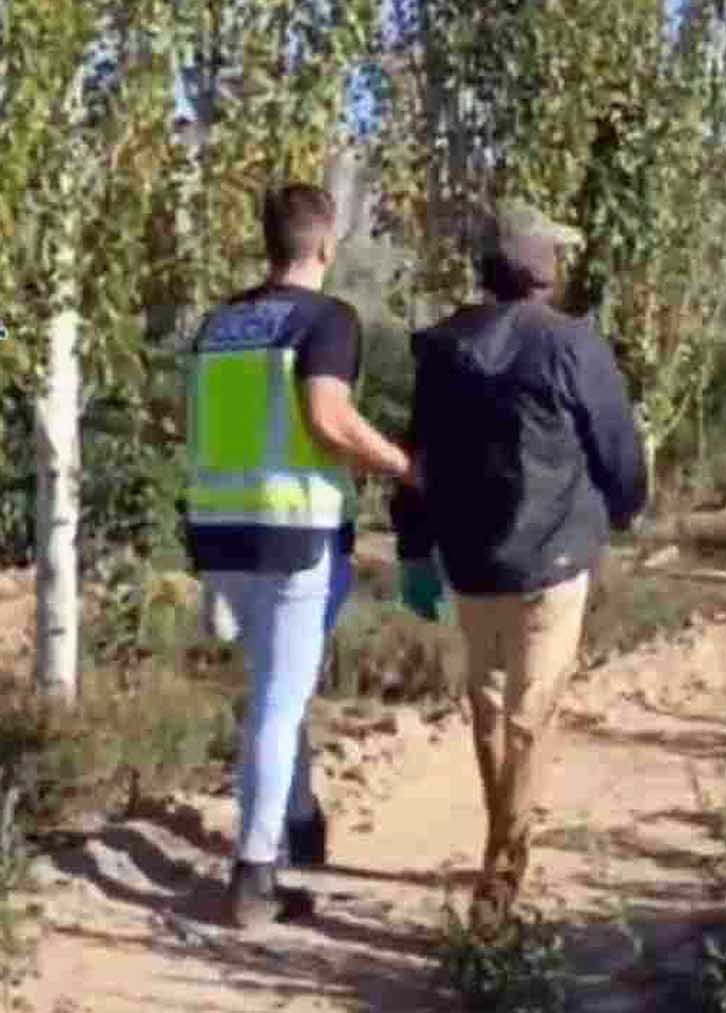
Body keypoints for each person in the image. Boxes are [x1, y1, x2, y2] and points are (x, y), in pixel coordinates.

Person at [393, 200, 645, 929]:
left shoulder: (441, 347)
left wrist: (413, 543)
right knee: (530, 714)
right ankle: (501, 878)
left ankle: (500, 846)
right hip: (554, 560)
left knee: (490, 707)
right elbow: (617, 449)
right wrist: (626, 508)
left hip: (471, 561)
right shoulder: (574, 346)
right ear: (542, 269)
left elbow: (419, 456)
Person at [186, 184, 416, 928]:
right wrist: (406, 466)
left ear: (268, 240)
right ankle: (255, 874)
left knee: (272, 690)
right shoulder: (326, 319)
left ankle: (302, 815)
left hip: (219, 532)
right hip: (293, 536)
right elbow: (328, 417)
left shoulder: (218, 324)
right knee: (278, 703)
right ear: (324, 244)